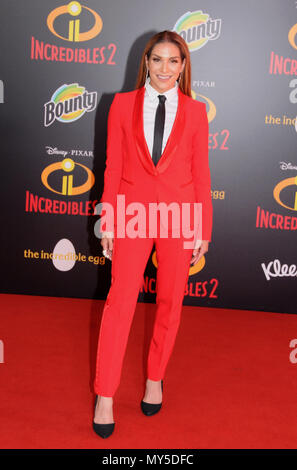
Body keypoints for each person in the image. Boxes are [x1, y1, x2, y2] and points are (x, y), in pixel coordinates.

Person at [92, 30, 213, 438]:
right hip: (132, 214)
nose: (165, 69)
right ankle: (105, 394)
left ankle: (154, 378)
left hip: (179, 218)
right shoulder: (121, 105)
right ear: (146, 62)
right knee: (119, 302)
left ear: (183, 66)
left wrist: (203, 229)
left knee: (169, 304)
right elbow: (111, 165)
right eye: (158, 60)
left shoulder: (195, 112)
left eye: (173, 61)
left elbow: (201, 176)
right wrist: (107, 219)